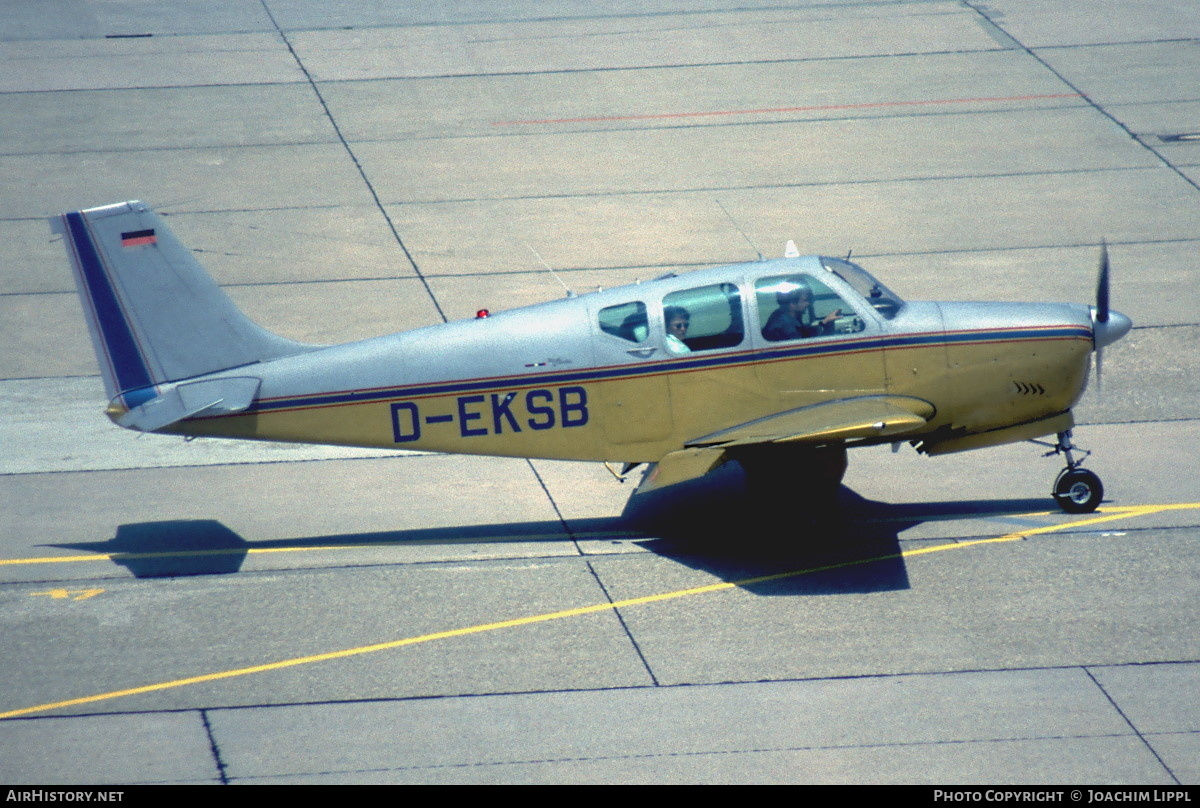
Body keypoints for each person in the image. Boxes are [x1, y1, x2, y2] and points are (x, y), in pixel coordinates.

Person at [762, 279, 840, 341]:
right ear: (792, 303)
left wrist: (824, 322)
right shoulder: (786, 326)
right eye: (805, 300)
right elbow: (805, 344)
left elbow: (804, 332)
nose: (808, 304)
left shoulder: (783, 315)